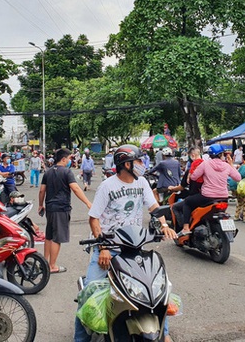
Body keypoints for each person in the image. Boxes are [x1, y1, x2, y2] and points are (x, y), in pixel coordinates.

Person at [74, 144, 176, 342]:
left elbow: (154, 207)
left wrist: (164, 225)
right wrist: (102, 247)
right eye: (138, 161)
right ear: (126, 164)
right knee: (89, 294)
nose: (142, 164)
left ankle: (164, 334)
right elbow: (94, 218)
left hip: (133, 246)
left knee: (157, 289)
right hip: (108, 247)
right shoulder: (107, 186)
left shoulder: (142, 182)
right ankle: (80, 340)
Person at [38, 148, 92, 273]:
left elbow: (42, 190)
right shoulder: (67, 172)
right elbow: (76, 189)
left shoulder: (48, 172)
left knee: (49, 236)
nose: (69, 161)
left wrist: (40, 205)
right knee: (58, 238)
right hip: (61, 208)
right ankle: (52, 266)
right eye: (69, 158)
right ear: (63, 159)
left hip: (50, 208)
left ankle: (45, 263)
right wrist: (88, 202)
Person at [177, 144, 241, 238]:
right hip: (223, 197)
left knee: (187, 202)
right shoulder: (227, 166)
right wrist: (231, 164)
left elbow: (194, 177)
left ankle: (186, 227)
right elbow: (238, 178)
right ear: (221, 154)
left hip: (207, 197)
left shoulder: (205, 164)